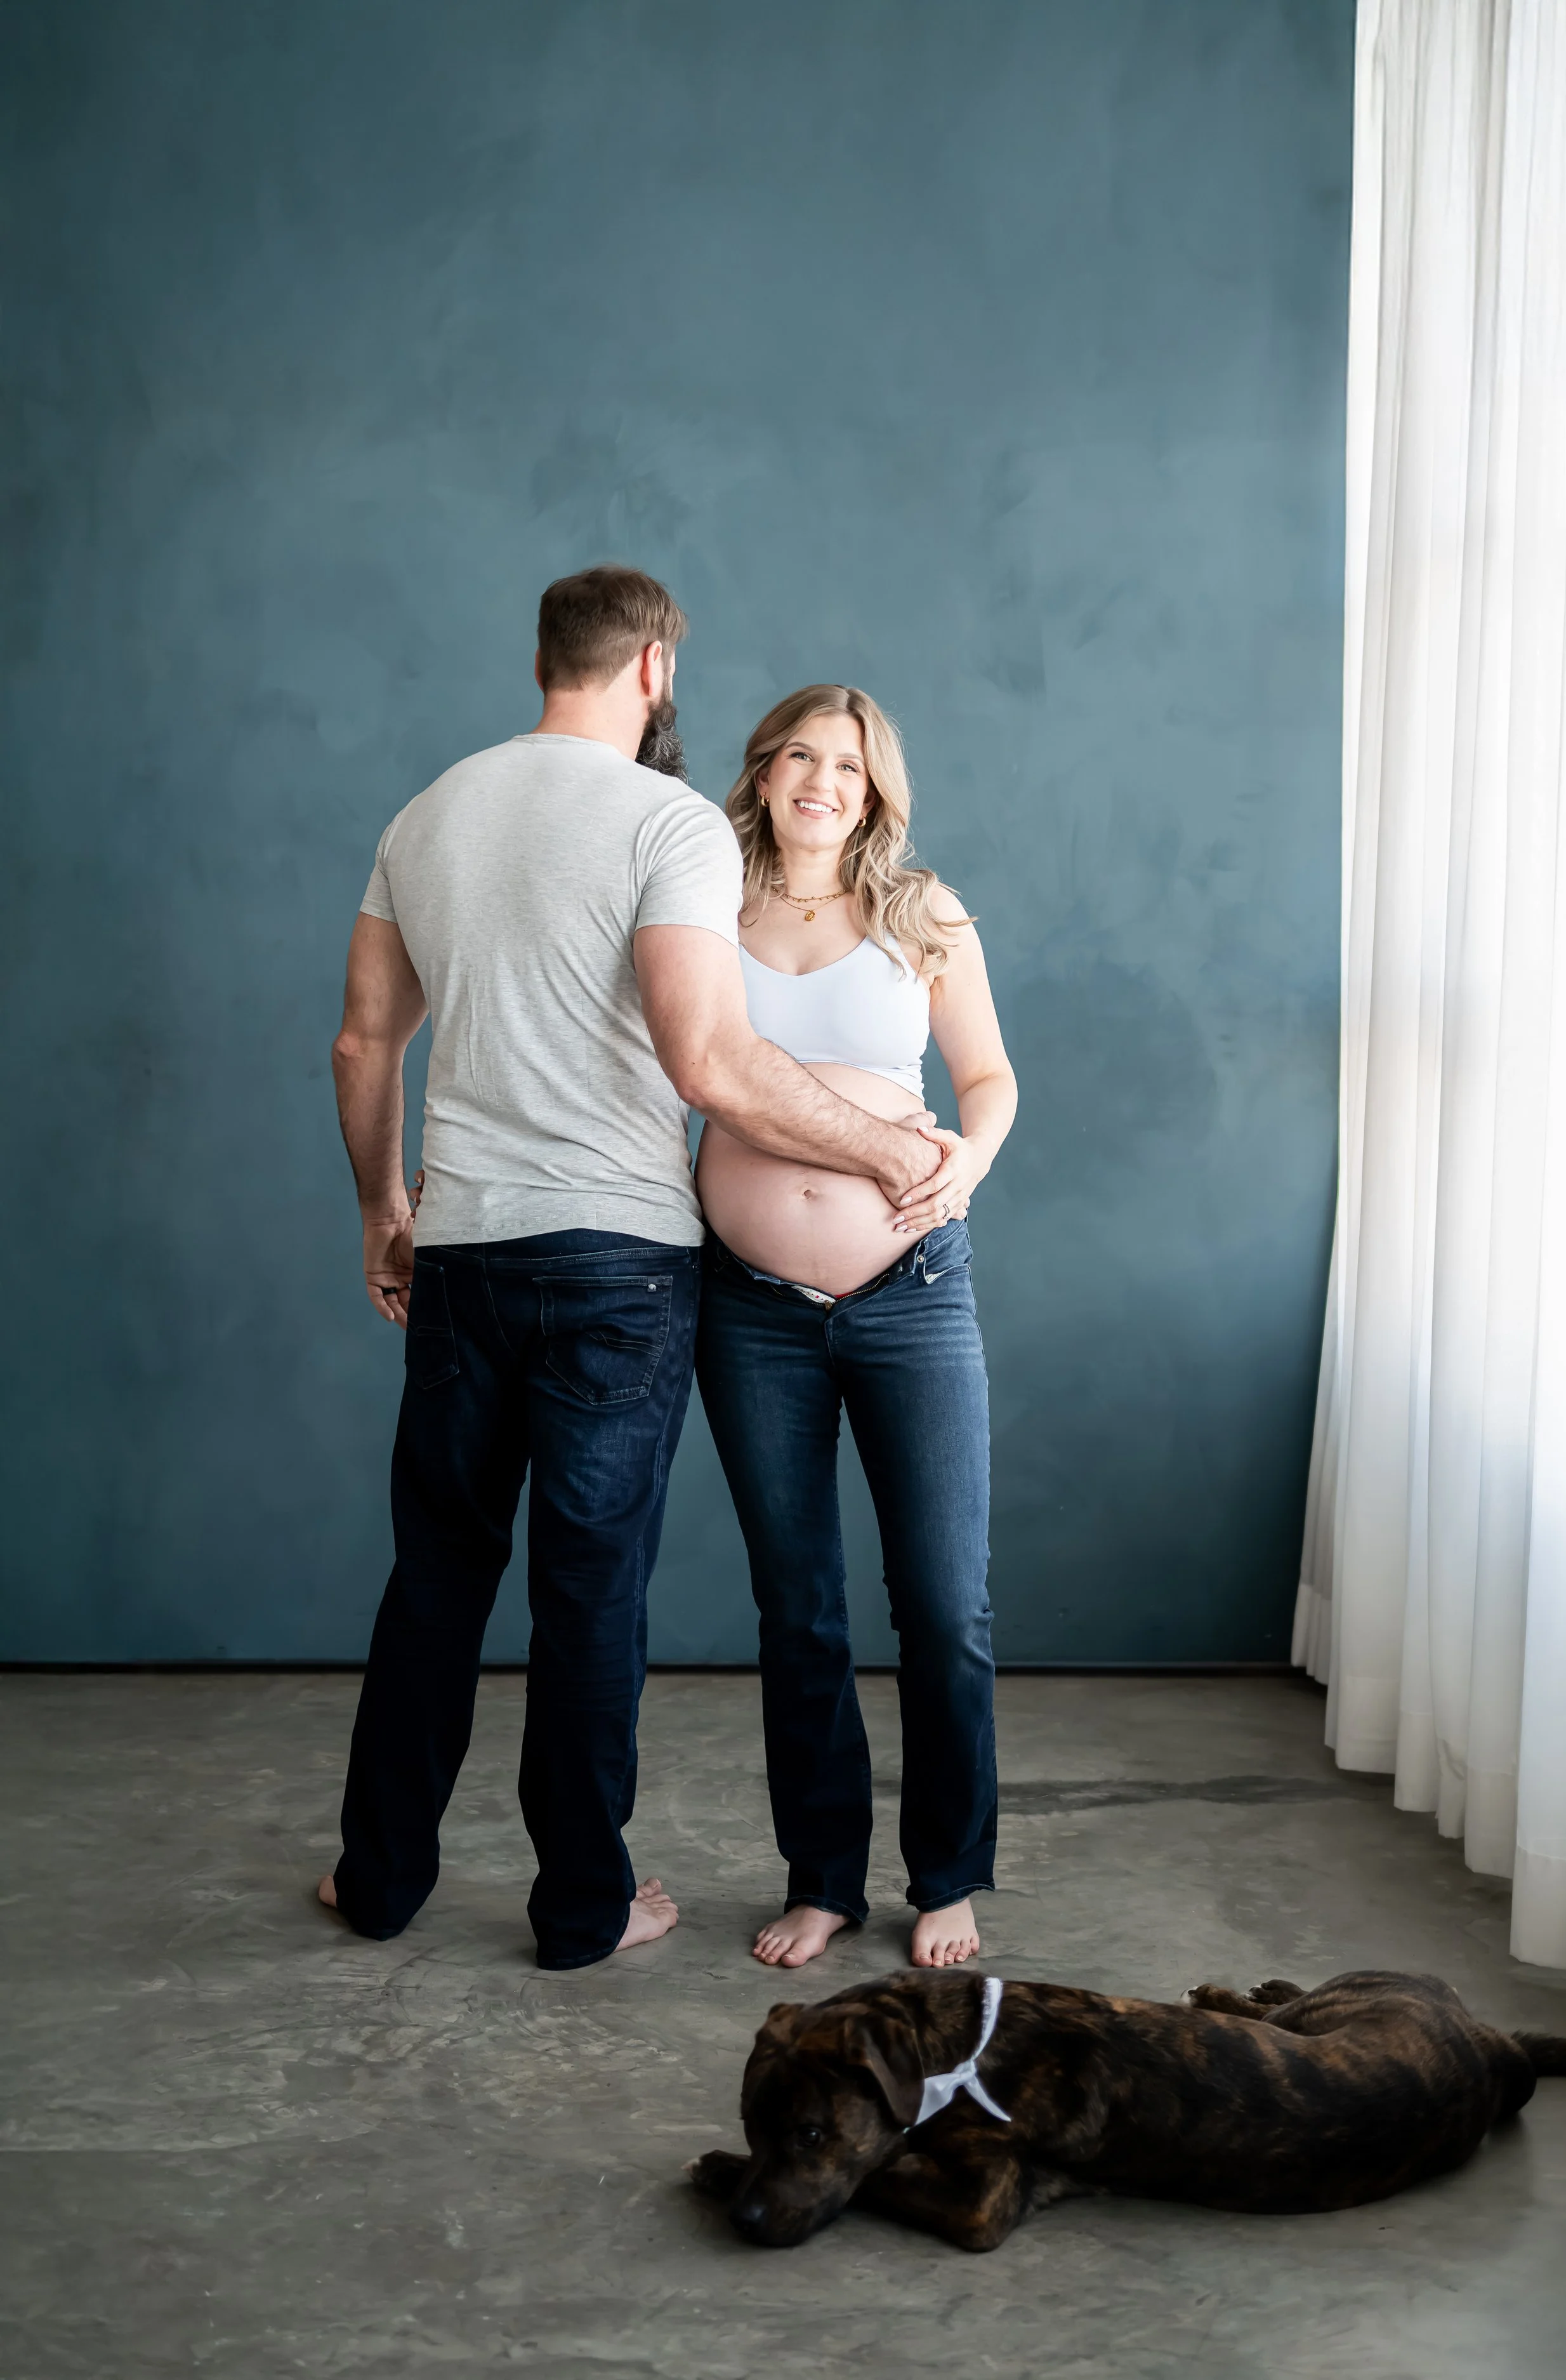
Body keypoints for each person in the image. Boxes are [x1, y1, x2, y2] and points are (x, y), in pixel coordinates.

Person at [319, 572, 946, 1970]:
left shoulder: (427, 815)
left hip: (465, 1249)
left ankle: (378, 1879)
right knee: (589, 1590)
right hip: (619, 1265)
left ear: (546, 657)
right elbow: (708, 1060)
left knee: (436, 1574)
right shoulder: (667, 822)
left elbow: (364, 1043)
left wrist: (380, 1211)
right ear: (655, 667)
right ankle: (581, 1910)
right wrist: (891, 1149)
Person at [692, 687, 1018, 1971]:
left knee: (943, 1604)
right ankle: (822, 1878)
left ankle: (947, 1876)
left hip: (911, 1292)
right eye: (799, 755)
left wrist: (968, 1161)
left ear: (875, 790)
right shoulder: (703, 904)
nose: (821, 781)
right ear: (763, 770)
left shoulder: (921, 913)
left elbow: (986, 1079)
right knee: (799, 1609)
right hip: (749, 1307)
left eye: (848, 765)